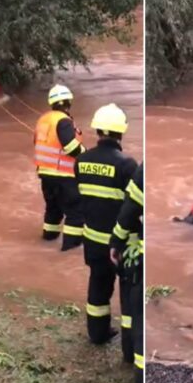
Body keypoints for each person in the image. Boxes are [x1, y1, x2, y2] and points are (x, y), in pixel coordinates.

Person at [74, 103, 137, 344]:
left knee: (98, 286)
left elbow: (82, 200)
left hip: (92, 240)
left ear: (97, 130)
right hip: (120, 244)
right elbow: (134, 207)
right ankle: (130, 346)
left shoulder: (81, 161)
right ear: (121, 132)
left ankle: (97, 334)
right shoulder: (127, 165)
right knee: (128, 292)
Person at [34, 84, 86, 251]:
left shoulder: (43, 119)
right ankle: (70, 248)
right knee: (75, 212)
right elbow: (70, 147)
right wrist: (86, 155)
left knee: (53, 210)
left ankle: (48, 239)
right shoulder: (63, 121)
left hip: (45, 174)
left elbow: (37, 143)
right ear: (68, 102)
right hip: (63, 175)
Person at [110, 163, 144, 383]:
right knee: (139, 312)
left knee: (133, 310)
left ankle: (130, 358)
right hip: (143, 251)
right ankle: (141, 376)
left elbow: (130, 210)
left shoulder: (142, 170)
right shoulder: (129, 164)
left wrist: (116, 242)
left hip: (138, 254)